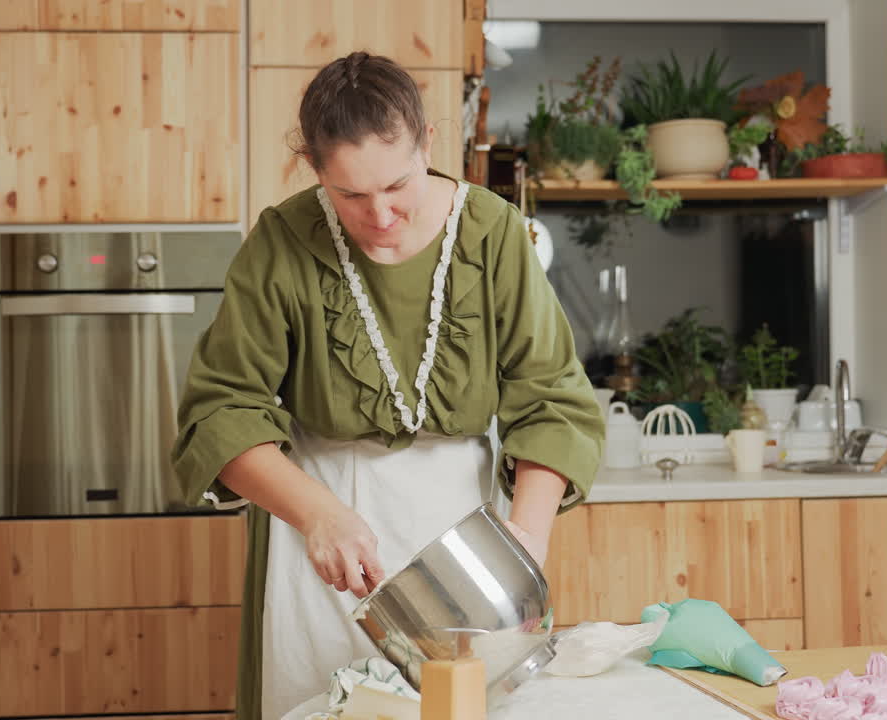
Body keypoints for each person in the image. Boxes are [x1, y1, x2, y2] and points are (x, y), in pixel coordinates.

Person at [171, 51, 604, 720]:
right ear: (315, 170)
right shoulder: (282, 241)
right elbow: (220, 412)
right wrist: (317, 514)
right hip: (317, 534)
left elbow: (552, 400)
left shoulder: (492, 233)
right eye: (350, 195)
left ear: (429, 141)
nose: (381, 215)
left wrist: (528, 537)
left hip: (467, 532)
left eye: (399, 185)